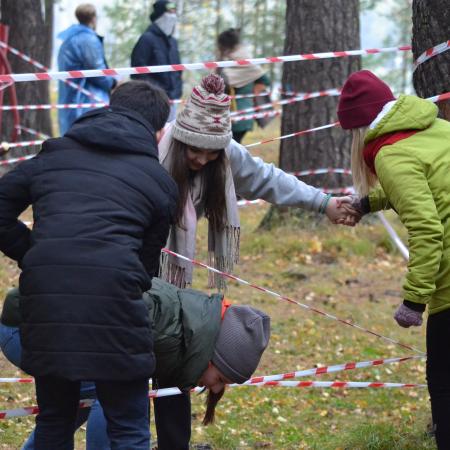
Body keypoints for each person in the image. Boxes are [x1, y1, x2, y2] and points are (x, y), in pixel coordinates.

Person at [154, 73, 357, 449]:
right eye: (193, 149)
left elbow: (269, 179)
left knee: (175, 364)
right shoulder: (152, 148)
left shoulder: (227, 157)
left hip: (173, 278)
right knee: (126, 371)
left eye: (209, 151)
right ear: (180, 136)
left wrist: (323, 203)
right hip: (131, 267)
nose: (200, 158)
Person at [0, 80, 178, 449]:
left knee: (54, 423)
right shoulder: (160, 183)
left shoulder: (52, 156)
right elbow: (145, 270)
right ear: (159, 132)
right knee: (129, 430)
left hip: (48, 308)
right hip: (117, 313)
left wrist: (36, 254)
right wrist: (34, 251)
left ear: (111, 106)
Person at [0, 278, 271, 449]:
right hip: (25, 328)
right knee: (103, 392)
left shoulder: (187, 331)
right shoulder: (164, 328)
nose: (215, 388)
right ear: (214, 354)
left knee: (83, 400)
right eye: (221, 378)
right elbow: (116, 407)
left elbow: (170, 402)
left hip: (60, 333)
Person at [336, 69, 450, 449]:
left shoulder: (389, 154)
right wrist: (369, 202)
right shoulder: (433, 127)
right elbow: (422, 184)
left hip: (449, 291)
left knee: (444, 389)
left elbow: (428, 229)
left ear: (359, 128)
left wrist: (414, 301)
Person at [57, 4, 115, 135]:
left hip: (72, 100)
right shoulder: (87, 39)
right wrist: (114, 83)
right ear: (94, 19)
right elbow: (97, 72)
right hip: (88, 102)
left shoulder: (69, 38)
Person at [217, 28, 271, 143]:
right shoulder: (232, 61)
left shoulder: (238, 62)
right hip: (237, 116)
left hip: (235, 118)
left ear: (224, 46)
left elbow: (264, 80)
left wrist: (253, 93)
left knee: (227, 151)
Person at [131, 1, 182, 122]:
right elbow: (138, 73)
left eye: (175, 12)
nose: (173, 16)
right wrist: (159, 93)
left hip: (173, 102)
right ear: (160, 15)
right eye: (169, 12)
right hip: (152, 102)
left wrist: (176, 93)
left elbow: (178, 71)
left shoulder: (173, 42)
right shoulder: (146, 39)